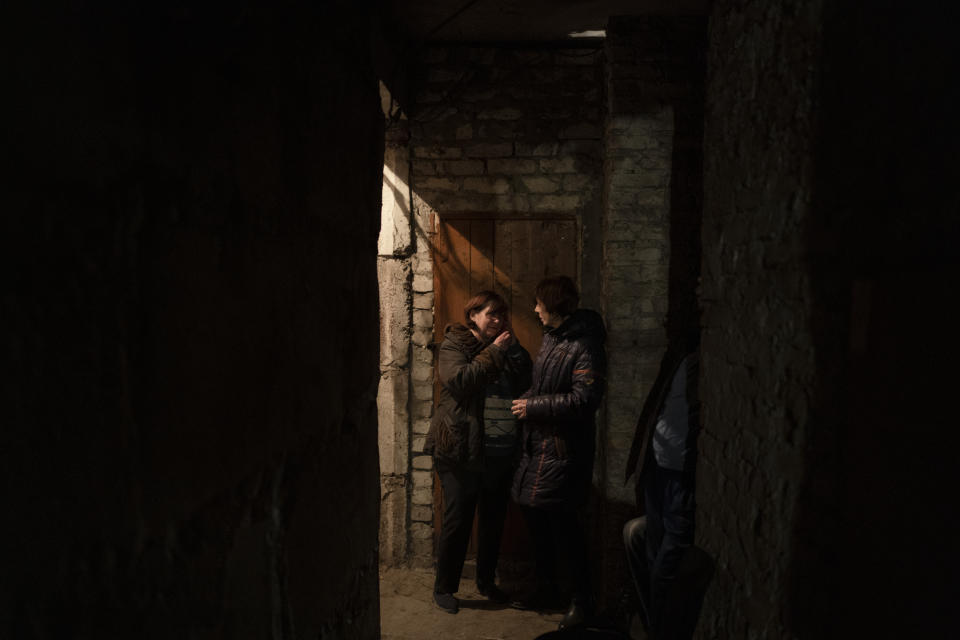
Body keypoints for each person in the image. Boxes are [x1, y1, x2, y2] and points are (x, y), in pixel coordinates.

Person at [424, 290, 532, 614]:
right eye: (491, 314)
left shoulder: (507, 347)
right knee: (458, 520)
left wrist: (512, 353)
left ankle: (487, 582)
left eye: (502, 315)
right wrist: (495, 353)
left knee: (492, 520)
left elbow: (525, 380)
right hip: (460, 449)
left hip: (499, 450)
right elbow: (459, 381)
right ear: (473, 315)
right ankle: (444, 588)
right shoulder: (455, 345)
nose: (498, 321)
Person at [510, 275, 606, 630]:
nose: (535, 310)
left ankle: (582, 600)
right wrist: (527, 398)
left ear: (553, 306)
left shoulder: (586, 345)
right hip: (540, 445)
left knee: (566, 525)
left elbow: (585, 399)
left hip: (564, 449)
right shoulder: (553, 339)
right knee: (536, 517)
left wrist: (534, 407)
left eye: (539, 304)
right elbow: (545, 383)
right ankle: (548, 587)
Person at [622, 330, 713, 639]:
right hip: (659, 467)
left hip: (679, 473)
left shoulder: (704, 361)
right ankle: (654, 629)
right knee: (651, 554)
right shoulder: (681, 355)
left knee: (668, 564)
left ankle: (661, 632)